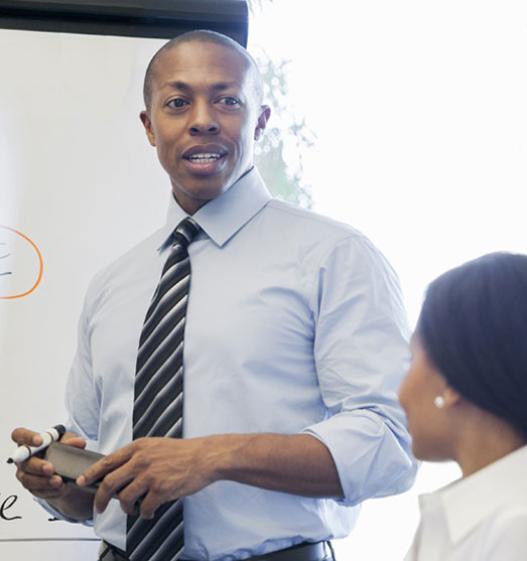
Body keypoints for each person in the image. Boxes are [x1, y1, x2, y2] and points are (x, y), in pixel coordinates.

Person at [12, 30, 416, 561]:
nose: (202, 118)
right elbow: (102, 477)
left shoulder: (335, 256)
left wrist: (213, 456)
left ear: (261, 120)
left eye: (227, 99)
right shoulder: (113, 284)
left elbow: (391, 445)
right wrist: (61, 487)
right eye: (177, 102)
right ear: (149, 127)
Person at [399, 252, 527, 561]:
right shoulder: (461, 516)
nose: (399, 393)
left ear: (451, 382)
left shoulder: (516, 528)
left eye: (411, 359)